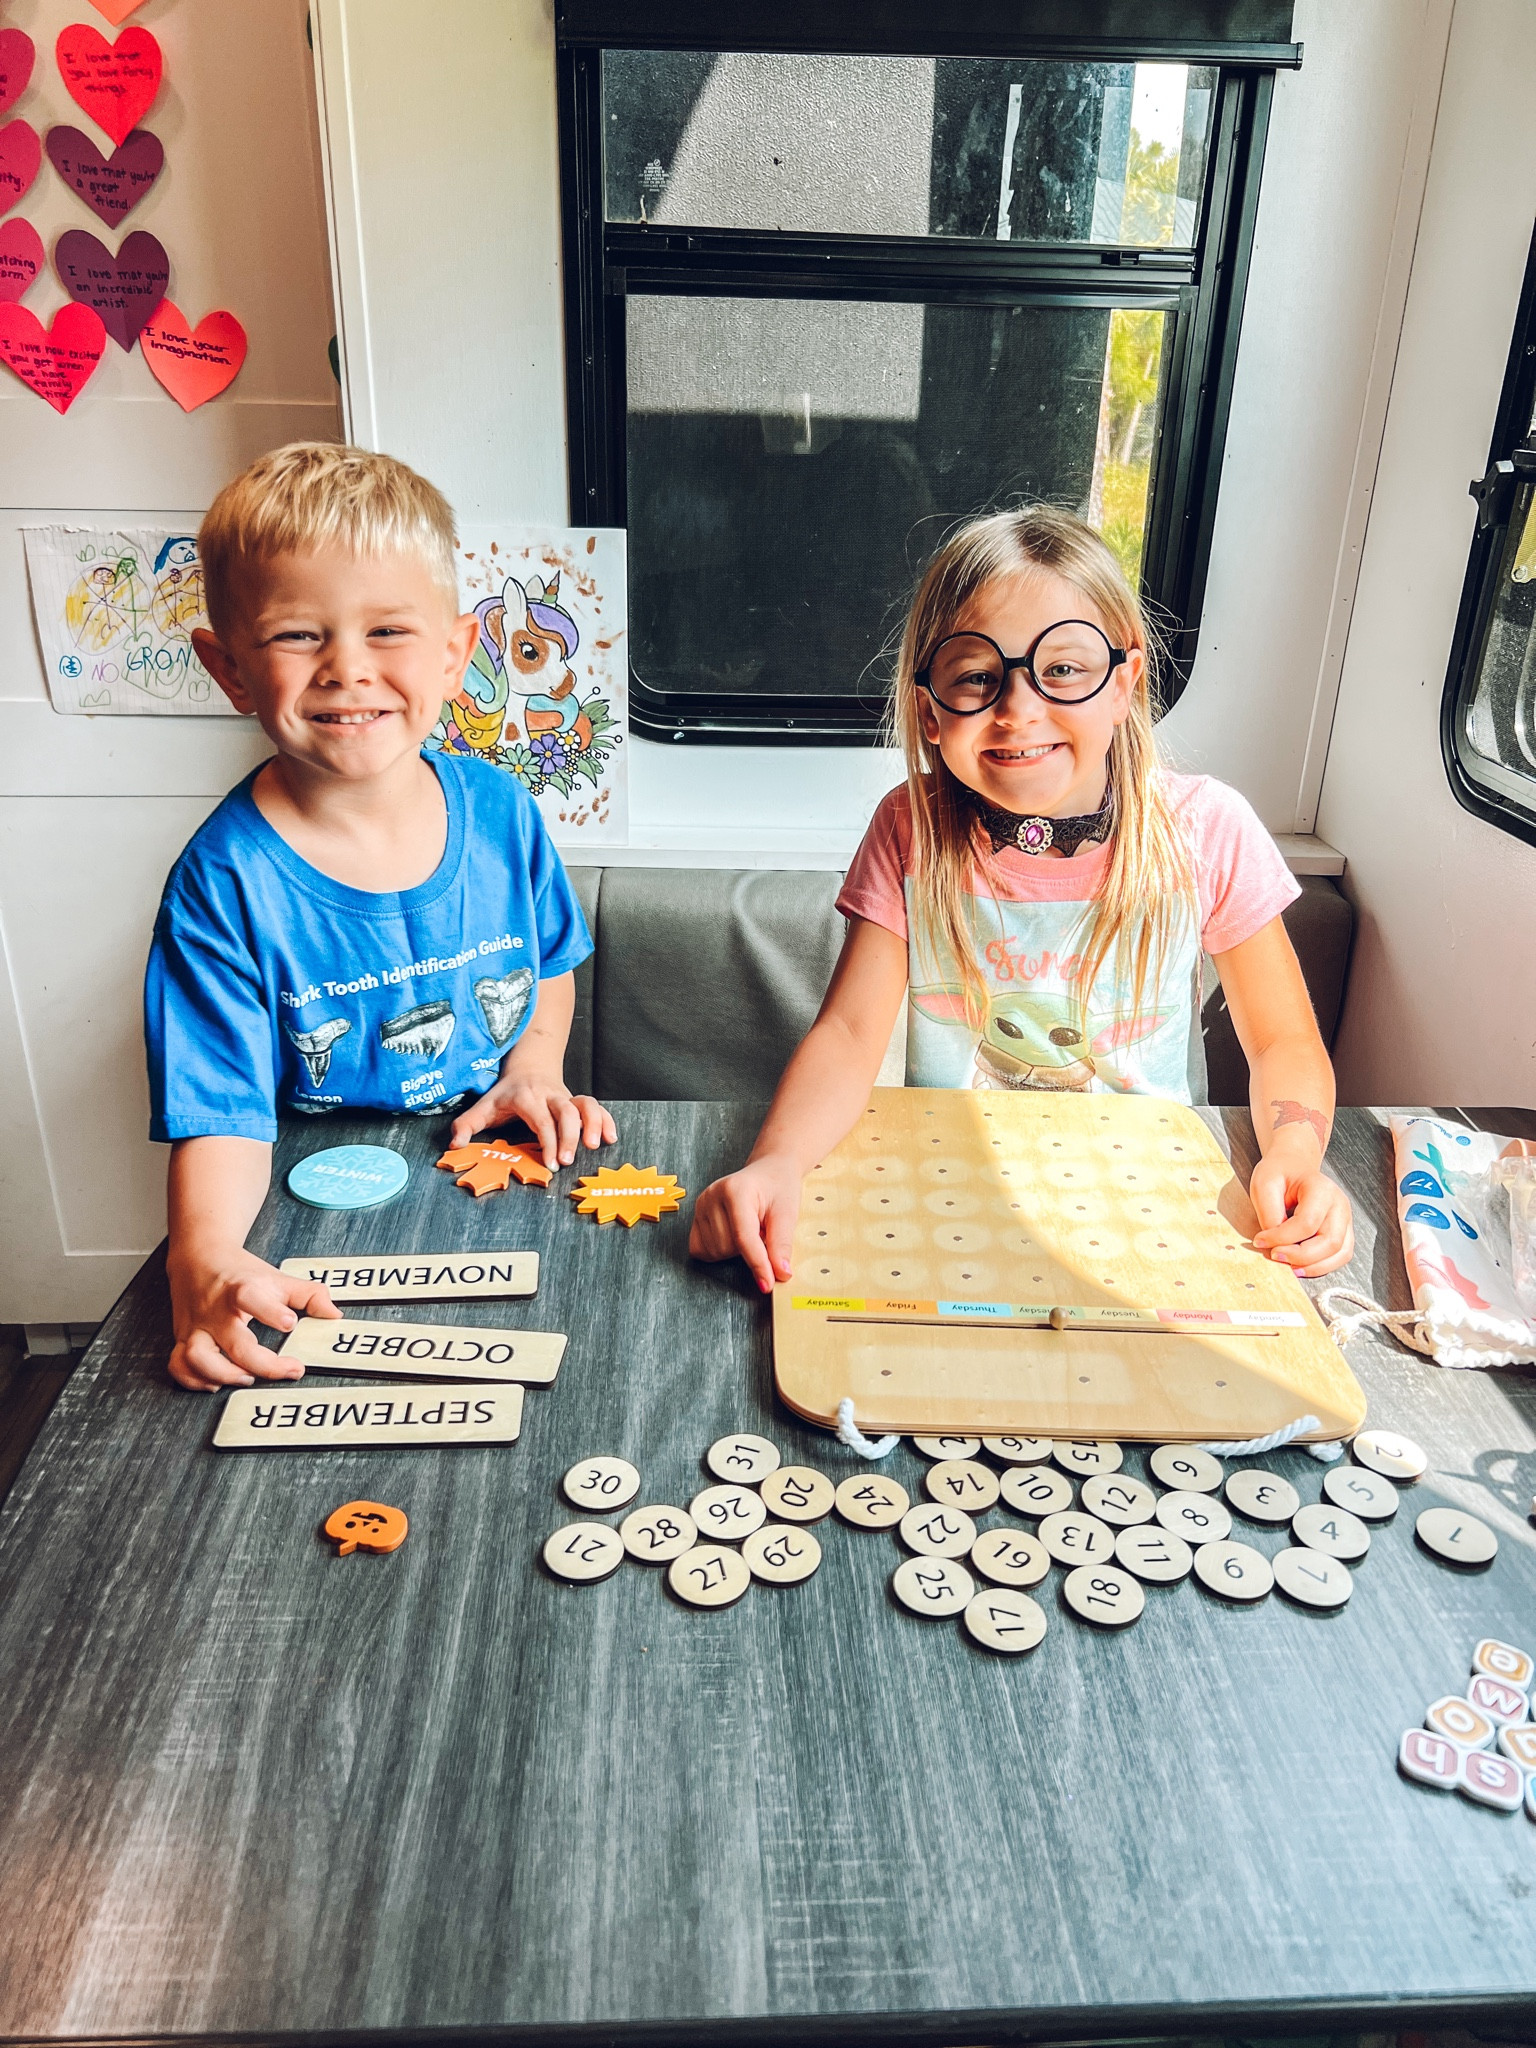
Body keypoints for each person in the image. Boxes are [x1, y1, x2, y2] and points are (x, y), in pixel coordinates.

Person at [691, 504, 1354, 1289]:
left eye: (1063, 669)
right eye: (977, 677)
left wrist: (1295, 1155)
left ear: (1126, 683)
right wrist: (777, 1162)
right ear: (930, 711)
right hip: (954, 1188)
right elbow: (848, 1035)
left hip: (1149, 1198)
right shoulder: (911, 827)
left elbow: (1283, 1041)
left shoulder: (1208, 830)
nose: (1018, 709)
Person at [145, 442, 614, 1391]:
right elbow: (223, 1115)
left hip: (492, 1148)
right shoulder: (221, 885)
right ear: (230, 669)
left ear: (454, 655)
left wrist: (533, 1069)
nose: (347, 670)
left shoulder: (504, 812)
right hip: (305, 1195)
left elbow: (548, 963)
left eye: (388, 630)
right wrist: (205, 1255)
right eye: (297, 635)